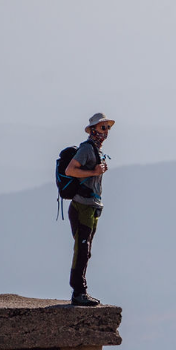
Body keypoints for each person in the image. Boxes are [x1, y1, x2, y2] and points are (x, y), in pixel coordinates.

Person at [65, 113, 112, 306]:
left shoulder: (96, 150)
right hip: (82, 205)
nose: (106, 131)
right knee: (82, 249)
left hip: (92, 206)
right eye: (103, 128)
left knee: (86, 250)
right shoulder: (86, 149)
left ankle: (80, 291)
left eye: (108, 128)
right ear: (93, 129)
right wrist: (94, 171)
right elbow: (70, 170)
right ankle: (78, 292)